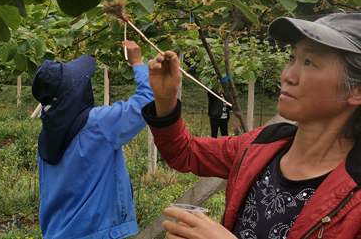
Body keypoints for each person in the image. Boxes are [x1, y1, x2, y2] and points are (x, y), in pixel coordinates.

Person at [141, 13, 361, 238]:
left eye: (309, 62)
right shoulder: (261, 145)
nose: (288, 75)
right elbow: (185, 153)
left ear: (357, 90)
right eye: (292, 58)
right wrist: (166, 102)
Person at [32, 41, 154, 239]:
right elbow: (148, 102)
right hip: (98, 232)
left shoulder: (47, 135)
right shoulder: (98, 124)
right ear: (75, 93)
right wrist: (138, 63)